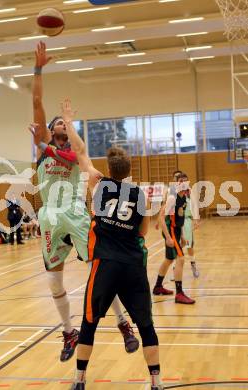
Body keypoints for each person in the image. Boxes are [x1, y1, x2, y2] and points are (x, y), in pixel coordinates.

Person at [30, 41, 138, 363]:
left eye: (64, 122)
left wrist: (95, 173)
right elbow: (36, 100)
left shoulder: (74, 151)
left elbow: (82, 160)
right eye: (57, 123)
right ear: (50, 131)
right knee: (53, 279)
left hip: (76, 213)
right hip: (49, 216)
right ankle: (68, 331)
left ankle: (123, 323)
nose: (61, 125)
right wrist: (38, 68)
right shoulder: (43, 148)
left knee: (100, 269)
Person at [60, 99, 163, 390]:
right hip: (132, 266)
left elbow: (80, 152)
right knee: (146, 326)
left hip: (105, 264)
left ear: (110, 168)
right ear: (129, 169)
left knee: (89, 323)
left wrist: (68, 121)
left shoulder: (99, 183)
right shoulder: (140, 195)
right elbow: (142, 233)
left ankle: (79, 380)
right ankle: (156, 381)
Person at [152, 173, 196, 304]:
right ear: (177, 184)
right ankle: (179, 294)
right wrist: (168, 238)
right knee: (181, 259)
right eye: (181, 182)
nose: (184, 184)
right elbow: (160, 218)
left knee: (169, 259)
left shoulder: (184, 197)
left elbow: (179, 219)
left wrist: (182, 235)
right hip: (170, 232)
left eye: (186, 182)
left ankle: (158, 287)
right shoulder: (173, 198)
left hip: (176, 231)